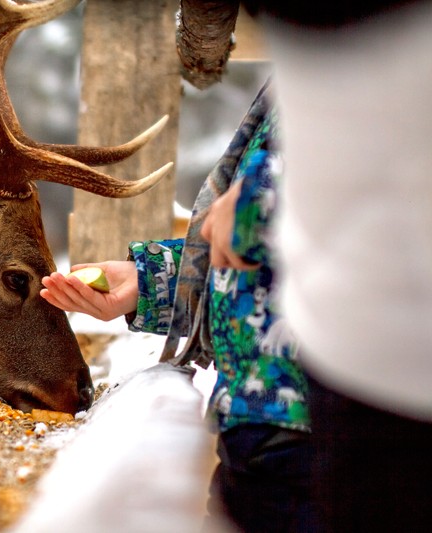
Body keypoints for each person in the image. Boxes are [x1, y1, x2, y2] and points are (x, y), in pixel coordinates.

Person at [42, 82, 318, 532]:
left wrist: (259, 196)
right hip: (262, 426)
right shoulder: (311, 68)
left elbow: (385, 186)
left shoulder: (389, 50)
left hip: (336, 439)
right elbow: (273, 265)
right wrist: (149, 280)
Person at [231, 2, 432, 531]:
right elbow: (309, 230)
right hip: (312, 398)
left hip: (372, 400)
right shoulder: (279, 99)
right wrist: (153, 280)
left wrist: (258, 196)